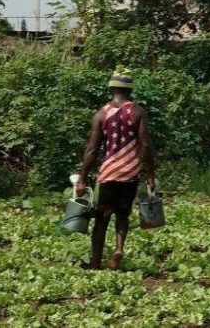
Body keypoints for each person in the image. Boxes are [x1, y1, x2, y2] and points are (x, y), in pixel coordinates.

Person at [74, 70, 157, 270]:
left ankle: (95, 264)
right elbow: (145, 146)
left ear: (111, 89)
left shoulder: (101, 114)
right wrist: (151, 174)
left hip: (108, 174)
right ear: (130, 90)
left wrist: (83, 178)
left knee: (102, 219)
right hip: (130, 174)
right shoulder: (137, 112)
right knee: (122, 215)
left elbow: (92, 150)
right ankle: (118, 249)